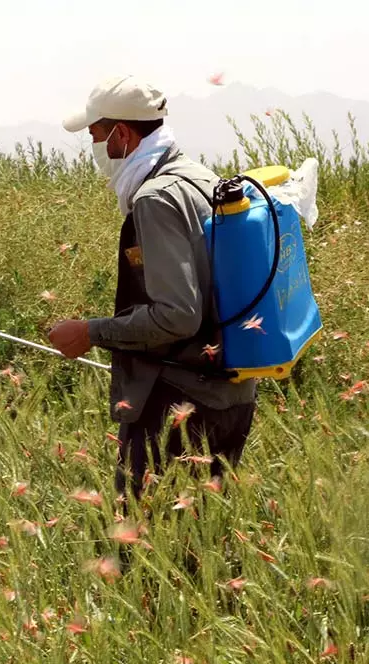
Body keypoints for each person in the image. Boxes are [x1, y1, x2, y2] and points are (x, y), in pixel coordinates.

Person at [46, 75, 258, 501]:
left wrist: (91, 332)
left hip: (181, 407)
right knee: (192, 551)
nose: (95, 150)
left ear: (122, 135)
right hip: (231, 398)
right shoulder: (199, 177)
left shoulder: (155, 199)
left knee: (143, 551)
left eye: (95, 136)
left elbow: (178, 314)